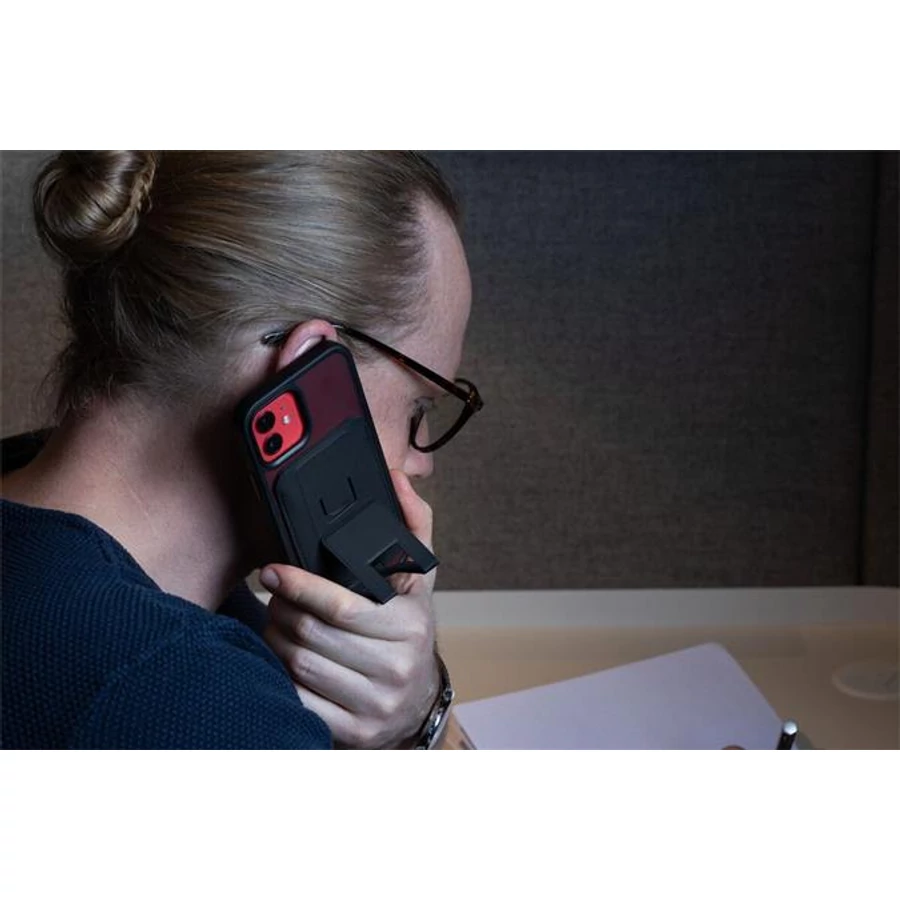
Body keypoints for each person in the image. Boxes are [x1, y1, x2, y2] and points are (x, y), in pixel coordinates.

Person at [1, 151, 480, 749]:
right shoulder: (194, 700)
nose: (421, 462)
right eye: (418, 409)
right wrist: (423, 719)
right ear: (308, 371)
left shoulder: (26, 498)